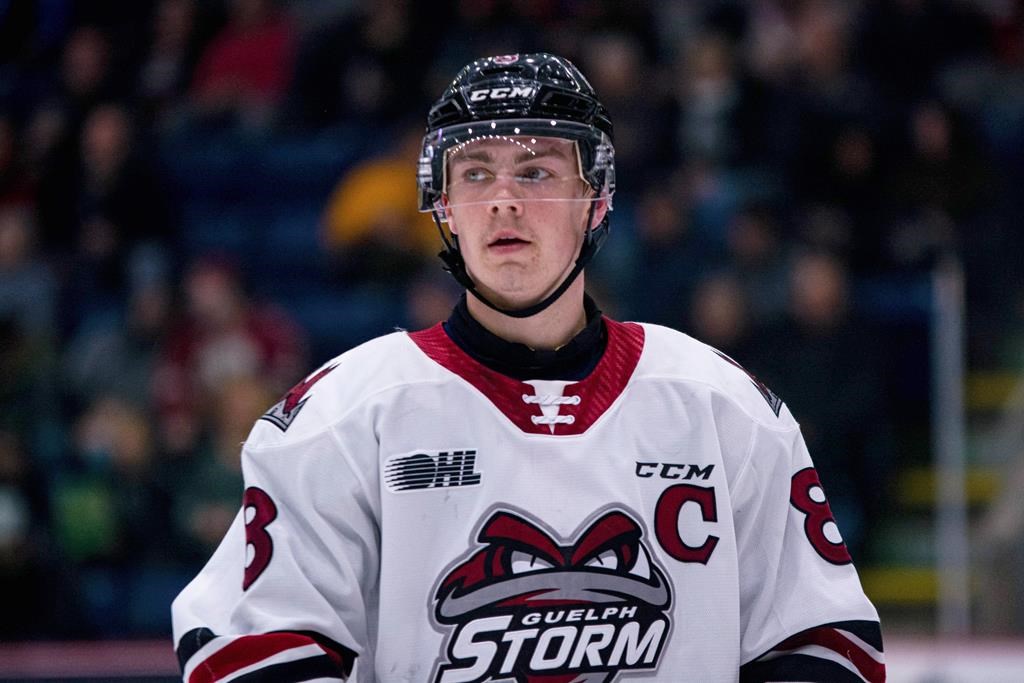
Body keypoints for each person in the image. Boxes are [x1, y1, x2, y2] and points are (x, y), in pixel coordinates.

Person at [172, 53, 885, 682]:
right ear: (443, 206)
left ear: (595, 199)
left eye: (537, 170)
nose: (504, 199)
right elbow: (249, 646)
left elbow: (822, 640)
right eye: (475, 172)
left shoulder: (723, 405)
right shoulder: (344, 417)